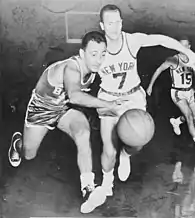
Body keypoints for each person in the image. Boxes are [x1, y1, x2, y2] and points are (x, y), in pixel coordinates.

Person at [97, 4, 195, 199]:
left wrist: (190, 54)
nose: (115, 27)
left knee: (138, 141)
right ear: (102, 26)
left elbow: (161, 40)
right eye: (110, 23)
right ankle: (106, 184)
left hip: (133, 97)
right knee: (108, 148)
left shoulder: (132, 41)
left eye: (118, 22)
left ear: (122, 22)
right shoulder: (97, 48)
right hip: (108, 98)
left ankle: (126, 154)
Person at [7, 31, 123, 214]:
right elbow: (75, 95)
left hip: (64, 109)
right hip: (42, 108)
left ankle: (88, 188)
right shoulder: (72, 68)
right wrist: (107, 104)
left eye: (102, 54)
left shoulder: (97, 66)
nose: (98, 59)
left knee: (83, 133)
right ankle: (18, 143)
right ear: (82, 53)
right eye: (93, 54)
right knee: (29, 154)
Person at [147, 37, 195, 154]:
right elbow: (159, 70)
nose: (182, 48)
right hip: (178, 93)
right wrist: (150, 85)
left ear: (189, 47)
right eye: (180, 45)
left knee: (193, 119)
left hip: (189, 92)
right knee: (188, 116)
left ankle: (176, 121)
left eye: (184, 46)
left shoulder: (192, 60)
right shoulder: (173, 59)